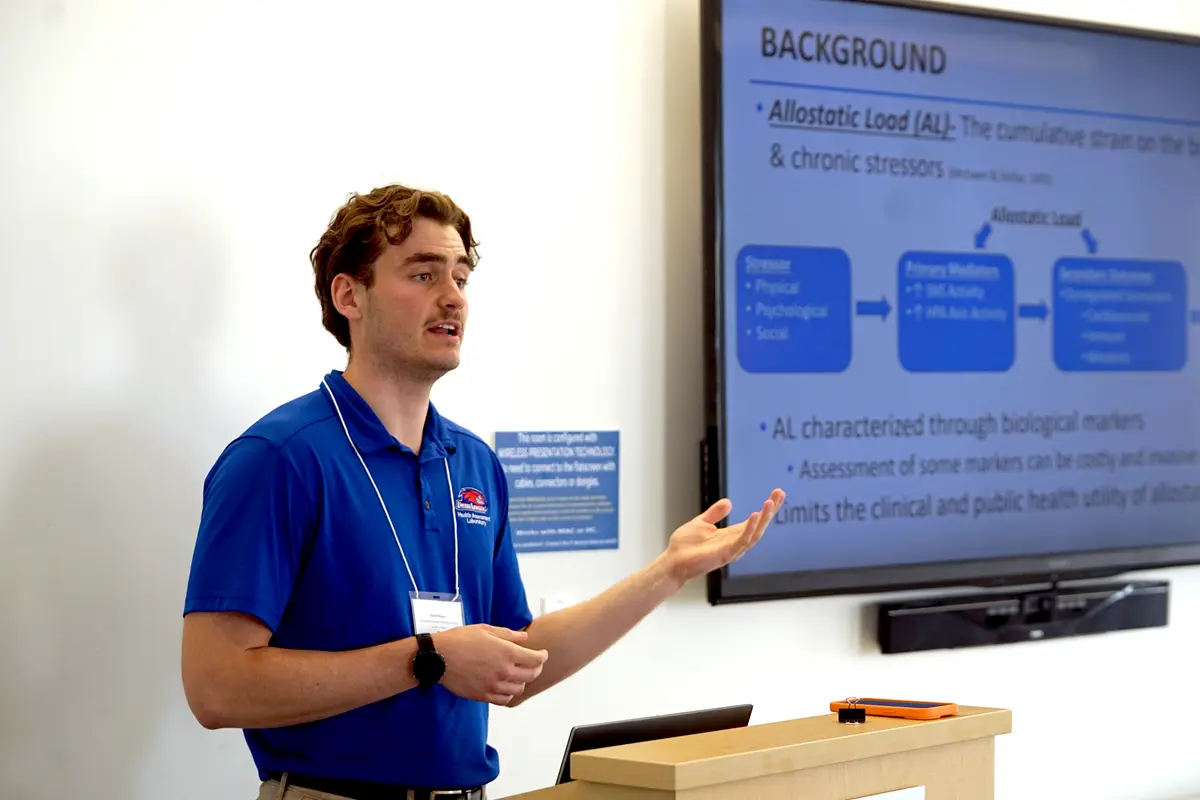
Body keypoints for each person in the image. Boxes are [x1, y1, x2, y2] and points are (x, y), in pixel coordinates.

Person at [180, 183, 784, 800]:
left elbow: (514, 662)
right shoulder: (280, 459)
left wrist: (667, 572)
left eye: (461, 278)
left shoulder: (472, 464)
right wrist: (429, 657)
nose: (452, 298)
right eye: (422, 274)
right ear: (348, 295)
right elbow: (215, 687)